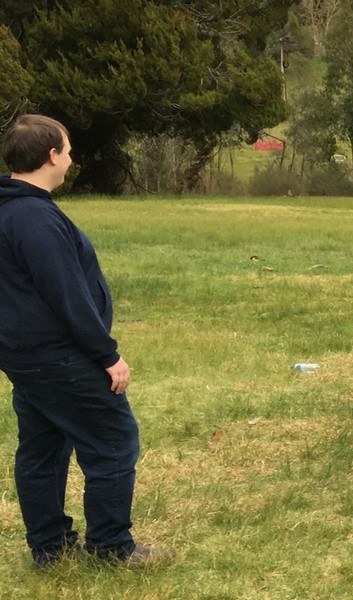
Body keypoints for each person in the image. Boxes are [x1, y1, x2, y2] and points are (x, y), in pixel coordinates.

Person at [0, 114, 171, 568]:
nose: (72, 160)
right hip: (58, 357)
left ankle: (50, 548)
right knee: (113, 440)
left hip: (22, 357)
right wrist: (107, 355)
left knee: (42, 446)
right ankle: (112, 546)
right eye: (69, 150)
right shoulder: (34, 217)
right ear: (52, 155)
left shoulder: (9, 209)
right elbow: (67, 296)